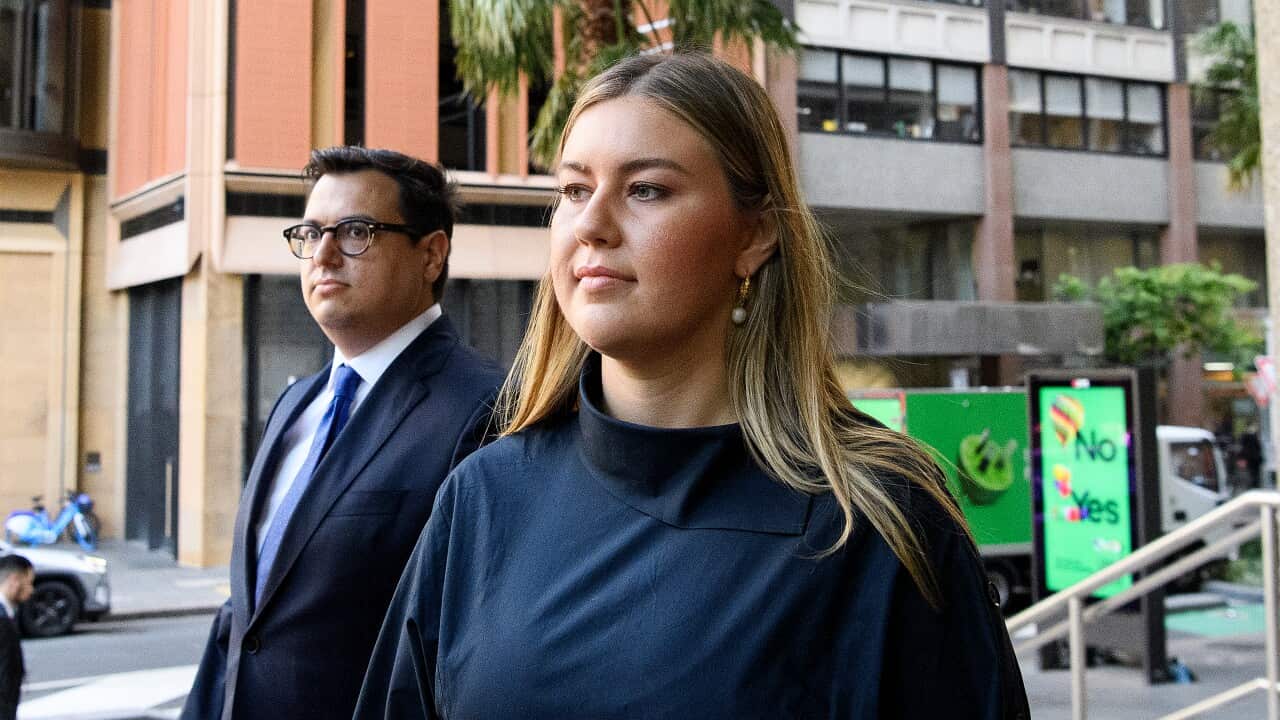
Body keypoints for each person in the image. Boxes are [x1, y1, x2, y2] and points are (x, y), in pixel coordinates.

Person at [354, 53, 1029, 719]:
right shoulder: (482, 498)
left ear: (755, 233)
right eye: (573, 190)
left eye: (645, 189)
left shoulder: (880, 521)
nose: (591, 226)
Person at [180, 147, 503, 720]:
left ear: (431, 254)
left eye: (355, 231)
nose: (324, 254)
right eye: (310, 232)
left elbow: (478, 651)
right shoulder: (293, 404)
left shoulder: (486, 409)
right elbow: (247, 619)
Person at [0, 554, 33, 720]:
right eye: (29, 583)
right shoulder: (2, 620)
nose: (31, 590)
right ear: (15, 580)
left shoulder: (8, 613)